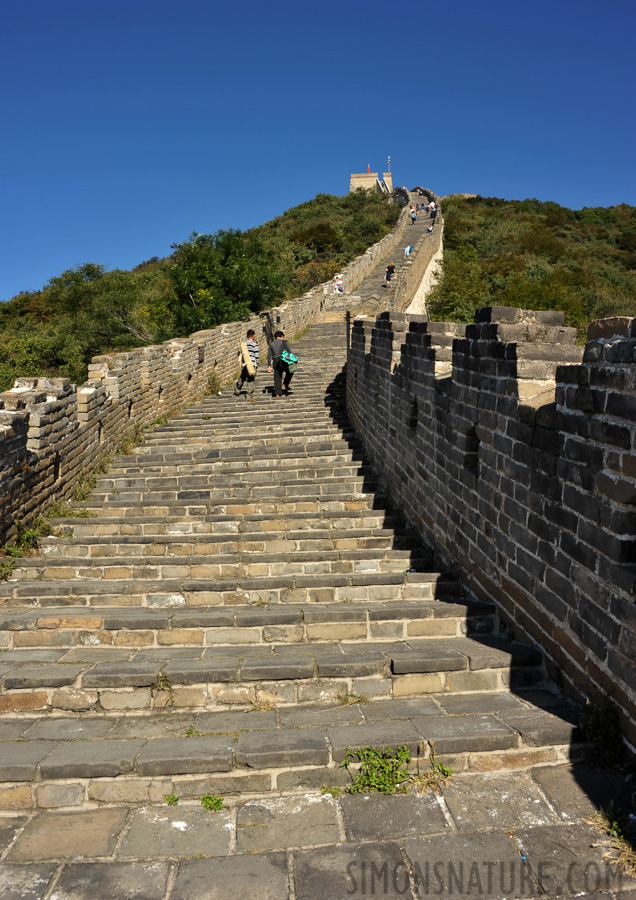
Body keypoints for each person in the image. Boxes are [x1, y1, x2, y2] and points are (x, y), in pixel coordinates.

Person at [233, 329, 260, 401]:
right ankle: (248, 395)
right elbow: (256, 355)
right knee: (251, 379)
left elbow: (241, 354)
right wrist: (256, 364)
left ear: (247, 336)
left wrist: (242, 363)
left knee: (242, 377)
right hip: (252, 364)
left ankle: (237, 389)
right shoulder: (254, 344)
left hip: (245, 363)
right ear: (254, 336)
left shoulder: (243, 344)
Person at [267, 330, 294, 397]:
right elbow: (289, 351)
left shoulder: (271, 344)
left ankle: (277, 393)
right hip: (283, 360)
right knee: (291, 370)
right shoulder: (284, 342)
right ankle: (285, 383)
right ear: (281, 336)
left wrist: (269, 366)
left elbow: (269, 355)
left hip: (275, 361)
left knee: (277, 377)